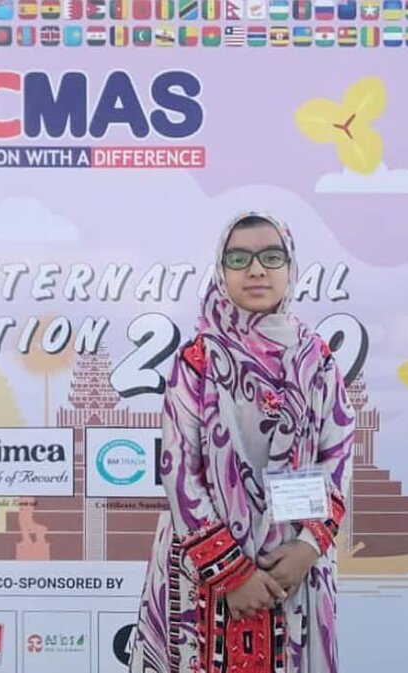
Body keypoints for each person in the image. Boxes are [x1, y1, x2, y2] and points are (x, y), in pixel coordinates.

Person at [129, 212, 355, 673]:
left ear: (290, 268)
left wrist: (308, 547)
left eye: (271, 257)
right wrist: (230, 574)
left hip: (293, 568)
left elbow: (338, 454)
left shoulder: (316, 359)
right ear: (221, 270)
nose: (256, 270)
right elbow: (179, 472)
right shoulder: (197, 361)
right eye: (239, 258)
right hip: (206, 577)